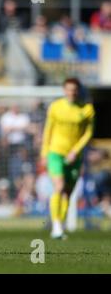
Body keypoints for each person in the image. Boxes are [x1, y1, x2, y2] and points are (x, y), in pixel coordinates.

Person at [41, 77, 95, 239]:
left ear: (78, 91)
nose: (71, 92)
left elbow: (88, 133)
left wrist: (75, 151)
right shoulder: (55, 107)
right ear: (64, 90)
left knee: (68, 193)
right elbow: (48, 130)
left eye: (74, 90)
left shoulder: (87, 109)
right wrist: (44, 153)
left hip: (75, 156)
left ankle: (61, 224)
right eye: (69, 89)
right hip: (55, 152)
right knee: (59, 186)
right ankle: (56, 225)